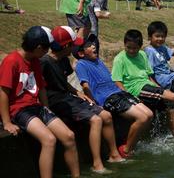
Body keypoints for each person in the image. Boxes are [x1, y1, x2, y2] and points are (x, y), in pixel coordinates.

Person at [40, 26, 124, 175]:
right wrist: (46, 108)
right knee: (96, 120)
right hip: (56, 102)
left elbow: (63, 82)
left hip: (68, 97)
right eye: (73, 43)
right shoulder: (44, 62)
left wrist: (77, 92)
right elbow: (41, 88)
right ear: (66, 46)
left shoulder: (64, 60)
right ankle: (97, 163)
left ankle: (114, 154)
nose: (75, 47)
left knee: (106, 115)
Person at [0, 26, 80, 178]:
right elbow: (3, 93)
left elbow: (41, 87)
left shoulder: (35, 60)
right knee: (49, 140)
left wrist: (46, 108)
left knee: (69, 136)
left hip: (36, 106)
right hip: (19, 110)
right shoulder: (11, 61)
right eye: (46, 49)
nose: (48, 52)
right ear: (38, 48)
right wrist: (6, 122)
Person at [72, 38, 153, 158]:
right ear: (81, 53)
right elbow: (85, 86)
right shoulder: (81, 64)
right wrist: (93, 102)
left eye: (93, 43)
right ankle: (125, 150)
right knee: (142, 118)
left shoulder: (98, 60)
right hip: (108, 98)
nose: (94, 46)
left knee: (149, 114)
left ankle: (130, 145)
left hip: (118, 93)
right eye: (89, 45)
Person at [112, 29, 174, 130]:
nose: (131, 50)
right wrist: (127, 96)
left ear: (140, 46)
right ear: (124, 44)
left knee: (169, 103)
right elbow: (117, 81)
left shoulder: (142, 55)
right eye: (128, 47)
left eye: (135, 48)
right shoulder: (119, 59)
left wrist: (157, 86)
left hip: (147, 85)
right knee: (160, 93)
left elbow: (149, 76)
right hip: (135, 89)